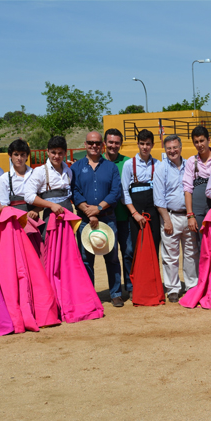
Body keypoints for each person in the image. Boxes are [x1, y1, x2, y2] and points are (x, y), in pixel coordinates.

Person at [71, 131, 123, 307]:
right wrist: (88, 211)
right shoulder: (76, 168)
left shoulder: (111, 167)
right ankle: (89, 294)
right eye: (90, 143)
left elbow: (115, 192)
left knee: (112, 257)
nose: (94, 146)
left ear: (102, 146)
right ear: (85, 144)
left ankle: (115, 293)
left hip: (107, 217)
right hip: (85, 219)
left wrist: (99, 208)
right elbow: (74, 191)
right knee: (86, 259)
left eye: (97, 143)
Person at [153, 135, 199, 303]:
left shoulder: (190, 165)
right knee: (170, 256)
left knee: (191, 253)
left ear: (180, 147)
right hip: (170, 215)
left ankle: (192, 285)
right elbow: (159, 197)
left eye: (175, 147)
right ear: (165, 150)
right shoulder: (161, 168)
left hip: (189, 216)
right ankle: (173, 288)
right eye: (169, 148)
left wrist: (191, 215)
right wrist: (166, 220)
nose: (172, 151)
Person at [24, 136, 73, 239]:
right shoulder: (40, 171)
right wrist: (51, 205)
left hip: (68, 217)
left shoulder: (68, 171)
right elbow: (28, 196)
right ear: (48, 152)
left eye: (60, 153)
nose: (56, 156)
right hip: (51, 218)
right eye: (53, 152)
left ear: (65, 153)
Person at [104, 128, 134, 298]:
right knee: (111, 255)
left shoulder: (128, 162)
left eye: (116, 143)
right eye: (110, 142)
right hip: (105, 218)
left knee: (128, 251)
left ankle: (130, 286)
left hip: (125, 216)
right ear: (105, 144)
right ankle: (115, 290)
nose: (113, 145)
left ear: (120, 144)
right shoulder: (98, 161)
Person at [122, 129, 161, 255]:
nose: (145, 147)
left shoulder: (158, 164)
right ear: (138, 144)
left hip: (153, 209)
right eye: (142, 143)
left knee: (154, 245)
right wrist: (135, 213)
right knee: (137, 247)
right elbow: (124, 191)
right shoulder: (129, 164)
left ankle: (154, 274)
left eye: (148, 144)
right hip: (136, 210)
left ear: (152, 145)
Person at [183, 126, 211, 241]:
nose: (199, 144)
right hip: (198, 209)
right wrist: (190, 215)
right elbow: (187, 189)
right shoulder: (191, 161)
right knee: (201, 243)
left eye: (202, 140)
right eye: (196, 142)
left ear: (208, 140)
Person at [0, 138, 38, 219]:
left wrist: (36, 211)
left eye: (22, 154)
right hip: (14, 219)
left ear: (27, 156)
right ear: (10, 155)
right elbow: (3, 205)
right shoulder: (4, 179)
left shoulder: (36, 174)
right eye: (16, 154)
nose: (19, 158)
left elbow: (42, 199)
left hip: (33, 218)